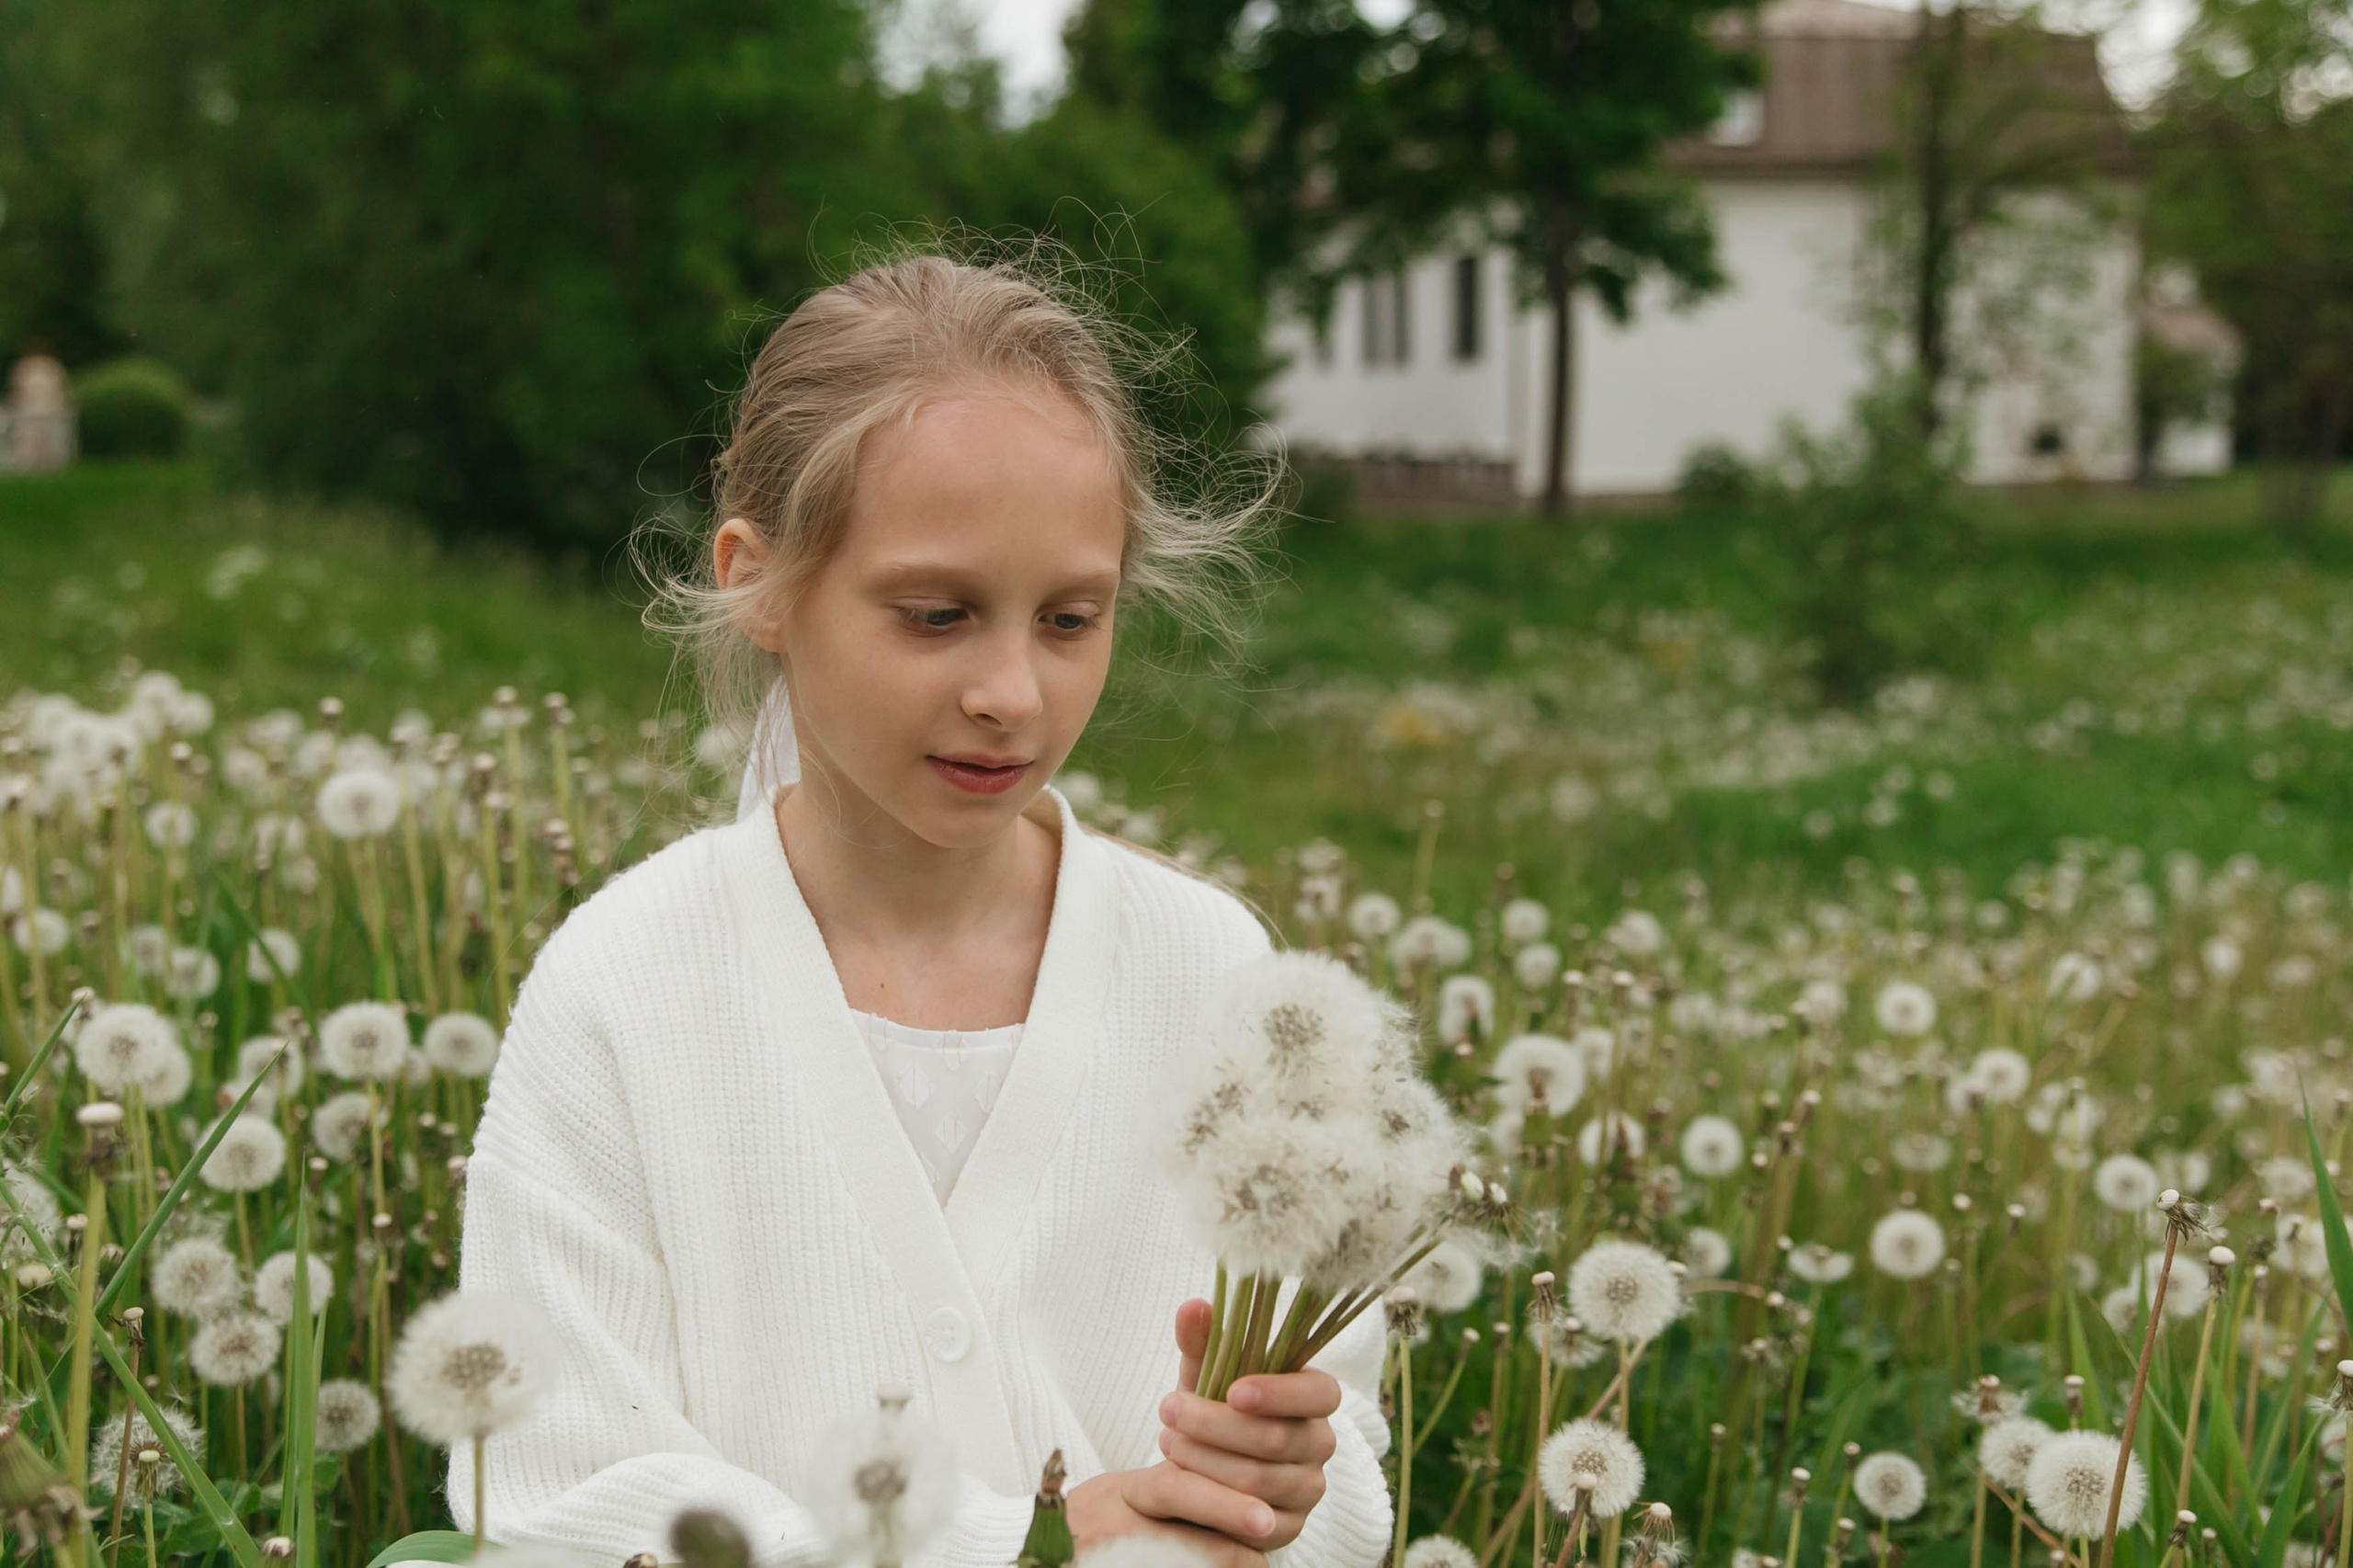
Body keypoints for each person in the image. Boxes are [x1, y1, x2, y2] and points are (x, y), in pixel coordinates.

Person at [445, 244, 1394, 1568]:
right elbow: (549, 1485)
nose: (1012, 689)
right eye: (939, 614)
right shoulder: (624, 988)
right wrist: (1017, 1542)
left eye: (1071, 619)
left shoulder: (1218, 978)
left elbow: (1342, 1476)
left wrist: (1290, 1480)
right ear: (757, 582)